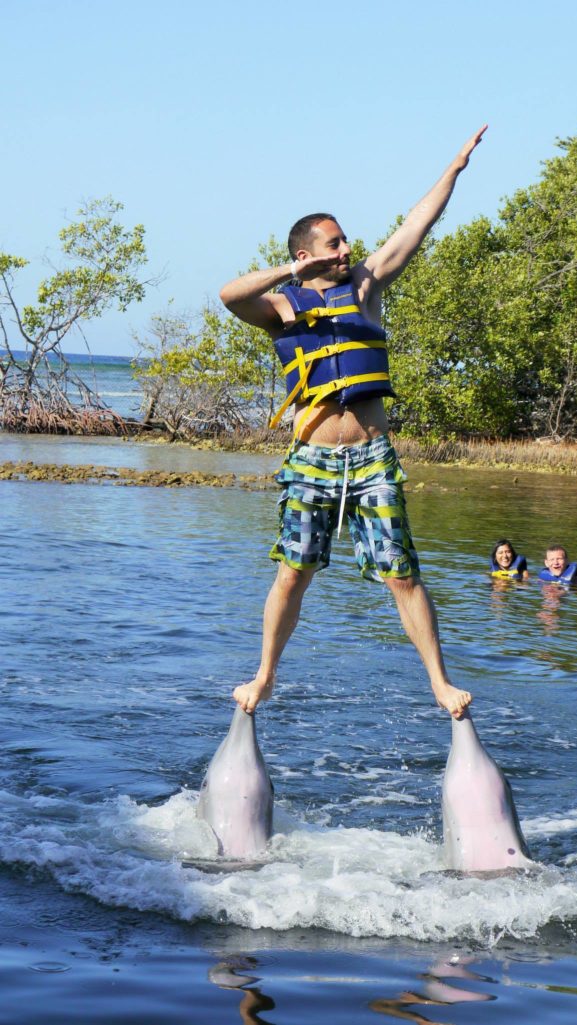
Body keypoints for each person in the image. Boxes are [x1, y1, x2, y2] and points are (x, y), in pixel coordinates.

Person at [220, 126, 488, 720]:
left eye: (345, 242)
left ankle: (440, 684)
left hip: (371, 457)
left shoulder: (366, 287)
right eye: (334, 244)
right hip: (311, 459)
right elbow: (229, 295)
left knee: (402, 575)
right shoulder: (283, 308)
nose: (346, 250)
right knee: (293, 576)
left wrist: (455, 168)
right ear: (307, 251)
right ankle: (264, 678)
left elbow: (415, 226)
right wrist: (293, 271)